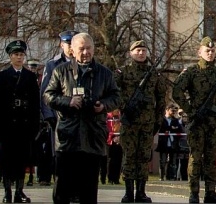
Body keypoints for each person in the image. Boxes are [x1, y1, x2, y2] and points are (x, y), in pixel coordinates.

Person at [44, 32, 121, 204]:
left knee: (88, 188)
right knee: (62, 187)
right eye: (81, 49)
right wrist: (68, 101)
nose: (85, 52)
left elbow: (116, 97)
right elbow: (48, 96)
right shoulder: (61, 71)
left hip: (93, 136)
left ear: (94, 49)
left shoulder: (105, 73)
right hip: (67, 137)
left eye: (89, 48)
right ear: (72, 50)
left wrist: (103, 106)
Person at [172, 37, 216, 204]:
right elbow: (176, 91)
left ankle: (210, 193)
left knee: (211, 159)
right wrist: (191, 111)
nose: (210, 53)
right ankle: (193, 193)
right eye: (207, 51)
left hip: (215, 124)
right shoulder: (191, 72)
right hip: (197, 123)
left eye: (213, 51)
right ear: (200, 52)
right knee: (195, 158)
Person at [115, 40, 167, 203]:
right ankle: (128, 192)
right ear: (131, 53)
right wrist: (125, 106)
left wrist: (158, 120)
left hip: (147, 123)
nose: (141, 53)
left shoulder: (154, 74)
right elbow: (114, 92)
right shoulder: (123, 72)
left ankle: (141, 192)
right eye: (137, 50)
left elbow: (161, 98)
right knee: (129, 156)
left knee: (144, 157)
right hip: (129, 121)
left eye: (144, 50)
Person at [0, 40, 40, 204]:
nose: (19, 58)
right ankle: (7, 191)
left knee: (22, 160)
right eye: (16, 55)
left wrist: (35, 125)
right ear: (10, 56)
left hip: (24, 124)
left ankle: (19, 191)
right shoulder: (3, 75)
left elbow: (35, 103)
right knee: (7, 161)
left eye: (21, 55)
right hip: (7, 125)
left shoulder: (30, 76)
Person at [39, 30, 75, 186]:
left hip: (76, 115)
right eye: (67, 44)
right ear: (62, 45)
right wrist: (48, 115)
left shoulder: (81, 62)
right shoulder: (53, 64)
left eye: (72, 43)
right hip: (57, 115)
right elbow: (45, 91)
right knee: (57, 152)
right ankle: (58, 181)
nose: (70, 47)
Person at [156, 105, 183, 180]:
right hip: (163, 144)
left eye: (175, 111)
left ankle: (171, 177)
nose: (173, 112)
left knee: (173, 162)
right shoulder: (162, 120)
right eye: (172, 110)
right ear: (167, 110)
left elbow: (180, 130)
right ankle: (162, 176)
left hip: (173, 144)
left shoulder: (175, 120)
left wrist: (173, 129)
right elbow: (161, 128)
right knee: (163, 161)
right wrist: (171, 128)